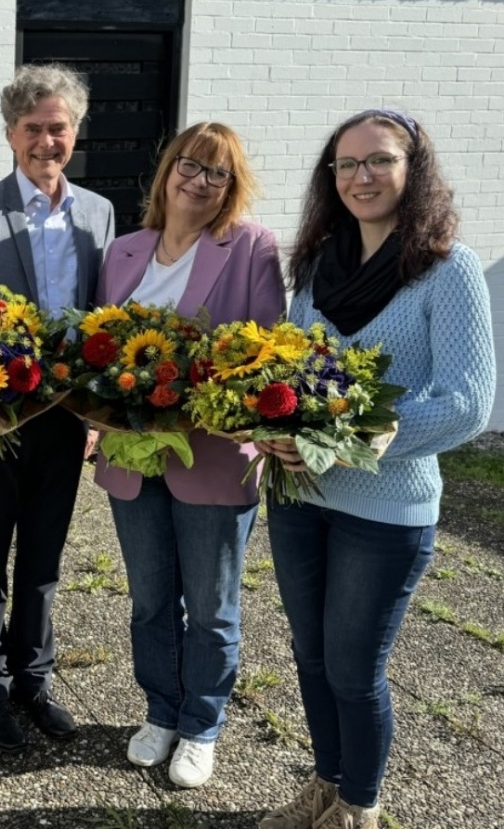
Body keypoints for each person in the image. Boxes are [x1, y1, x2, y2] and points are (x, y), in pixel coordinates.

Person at [258, 110, 495, 829]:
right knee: (309, 654)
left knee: (354, 671)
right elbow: (295, 369)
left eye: (379, 160)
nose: (361, 176)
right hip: (300, 495)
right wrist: (273, 424)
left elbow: (468, 403)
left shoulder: (445, 269)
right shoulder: (320, 260)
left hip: (386, 511)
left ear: (413, 169)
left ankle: (358, 807)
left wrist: (350, 440)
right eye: (346, 164)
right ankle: (327, 782)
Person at [92, 123, 286, 788]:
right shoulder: (122, 252)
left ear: (231, 189)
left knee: (210, 605)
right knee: (150, 600)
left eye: (217, 173)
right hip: (131, 454)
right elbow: (98, 352)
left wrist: (198, 391)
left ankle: (202, 723)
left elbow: (265, 355)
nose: (199, 181)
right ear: (166, 169)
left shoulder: (252, 248)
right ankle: (161, 710)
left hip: (210, 456)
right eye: (190, 165)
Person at [0, 63, 115, 752]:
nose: (47, 141)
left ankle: (33, 677)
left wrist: (99, 410)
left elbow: (103, 317)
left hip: (67, 418)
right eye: (34, 129)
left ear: (74, 131)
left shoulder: (98, 212)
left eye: (59, 128)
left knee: (43, 555)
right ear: (11, 133)